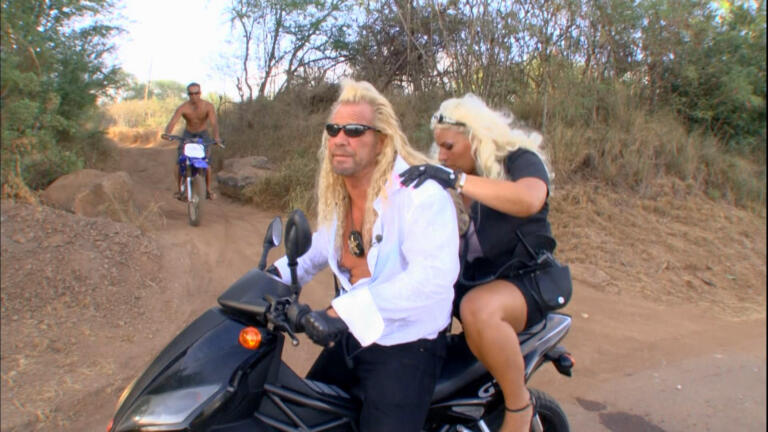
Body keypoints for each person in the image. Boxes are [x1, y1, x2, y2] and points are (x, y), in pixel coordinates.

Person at [269, 79, 460, 432]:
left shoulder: (421, 196)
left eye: (355, 130)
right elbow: (314, 250)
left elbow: (432, 279)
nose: (340, 138)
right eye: (334, 129)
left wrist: (341, 313)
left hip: (406, 343)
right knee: (300, 418)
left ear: (381, 141)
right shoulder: (341, 199)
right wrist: (270, 279)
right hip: (355, 334)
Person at [400, 93, 567, 432]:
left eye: (448, 146)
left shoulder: (519, 159)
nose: (441, 155)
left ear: (475, 138)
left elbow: (530, 199)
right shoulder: (455, 177)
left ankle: (519, 406)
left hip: (526, 280)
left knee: (477, 309)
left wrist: (457, 180)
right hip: (474, 280)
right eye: (438, 147)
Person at [162, 82, 221, 199]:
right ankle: (179, 190)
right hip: (188, 134)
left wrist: (216, 137)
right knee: (180, 161)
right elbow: (173, 122)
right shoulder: (183, 107)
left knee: (206, 162)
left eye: (196, 93)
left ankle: (208, 190)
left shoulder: (208, 106)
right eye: (191, 94)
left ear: (200, 93)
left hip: (203, 134)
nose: (194, 96)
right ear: (188, 94)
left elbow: (214, 123)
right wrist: (167, 133)